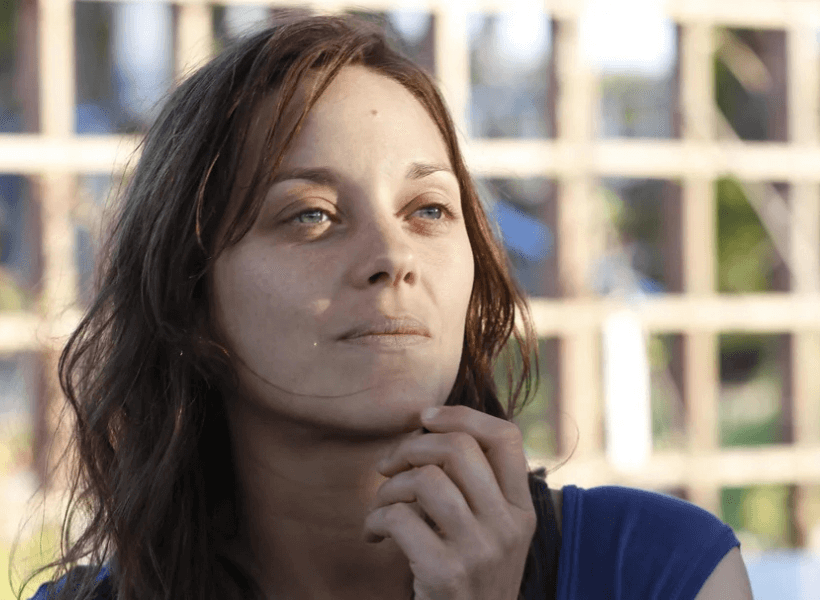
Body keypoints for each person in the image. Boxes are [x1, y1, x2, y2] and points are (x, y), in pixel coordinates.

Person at [16, 13, 754, 600]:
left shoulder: (663, 571)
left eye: (429, 210)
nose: (393, 257)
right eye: (311, 215)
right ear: (189, 294)